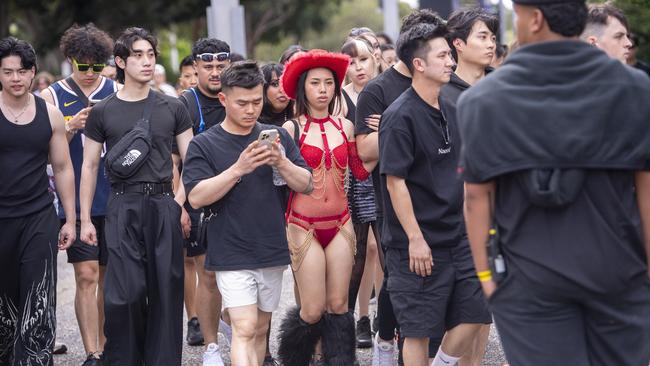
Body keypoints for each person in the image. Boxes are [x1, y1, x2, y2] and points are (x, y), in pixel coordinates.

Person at [458, 0, 650, 365]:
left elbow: (476, 198)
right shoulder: (635, 89)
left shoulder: (483, 100)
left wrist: (486, 276)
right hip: (619, 272)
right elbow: (647, 190)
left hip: (529, 280)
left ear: (535, 19)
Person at [183, 60, 312, 366]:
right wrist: (238, 169)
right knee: (244, 327)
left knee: (260, 328)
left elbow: (306, 183)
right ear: (224, 99)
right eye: (242, 103)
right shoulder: (204, 143)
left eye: (256, 101)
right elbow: (197, 197)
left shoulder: (276, 134)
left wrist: (281, 162)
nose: (251, 109)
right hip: (230, 247)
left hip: (271, 245)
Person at [79, 27, 193, 365]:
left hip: (163, 204)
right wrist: (85, 219)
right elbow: (88, 166)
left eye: (150, 55)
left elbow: (192, 161)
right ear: (120, 62)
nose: (146, 62)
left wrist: (178, 202)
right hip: (121, 206)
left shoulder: (174, 107)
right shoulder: (102, 111)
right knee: (123, 295)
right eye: (138, 55)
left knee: (166, 292)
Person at [379, 22, 490, 366]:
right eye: (442, 55)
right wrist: (415, 238)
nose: (451, 62)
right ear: (419, 64)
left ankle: (441, 363)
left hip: (460, 236)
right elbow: (395, 182)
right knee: (418, 331)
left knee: (478, 311)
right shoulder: (399, 117)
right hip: (416, 243)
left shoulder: (454, 109)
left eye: (450, 55)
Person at [354, 9, 445, 365]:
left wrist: (390, 129)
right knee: (397, 275)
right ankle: (384, 339)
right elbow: (365, 152)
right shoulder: (378, 90)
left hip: (439, 198)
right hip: (393, 199)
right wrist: (400, 124)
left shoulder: (442, 85)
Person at [276, 49, 371, 365]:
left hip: (341, 222)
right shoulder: (291, 129)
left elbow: (360, 171)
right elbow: (279, 180)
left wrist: (385, 131)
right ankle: (296, 359)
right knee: (313, 309)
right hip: (303, 225)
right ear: (303, 87)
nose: (322, 89)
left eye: (329, 83)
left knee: (340, 304)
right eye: (315, 83)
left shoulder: (346, 126)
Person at [40, 23, 117, 366]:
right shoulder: (52, 96)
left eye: (96, 66)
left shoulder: (117, 91)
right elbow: (41, 153)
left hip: (113, 198)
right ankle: (93, 352)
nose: (89, 73)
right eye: (82, 65)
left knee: (107, 276)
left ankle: (107, 342)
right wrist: (70, 127)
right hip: (71, 202)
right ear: (69, 59)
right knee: (85, 275)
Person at [0, 36, 76, 366]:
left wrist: (70, 219)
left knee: (39, 299)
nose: (15, 78)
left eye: (21, 71)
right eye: (7, 72)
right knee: (4, 304)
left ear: (33, 73)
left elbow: (61, 167)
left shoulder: (51, 115)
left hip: (38, 216)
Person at [440, 7, 499, 366]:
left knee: (484, 313)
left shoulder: (501, 86)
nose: (490, 43)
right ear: (458, 44)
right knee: (470, 308)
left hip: (500, 207)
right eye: (482, 36)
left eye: (493, 37)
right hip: (455, 213)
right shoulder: (443, 93)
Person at [178, 37, 231, 365]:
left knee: (241, 273)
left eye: (220, 65)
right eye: (208, 66)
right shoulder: (185, 103)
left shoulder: (237, 95)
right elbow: (174, 162)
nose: (215, 72)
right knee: (208, 274)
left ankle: (245, 334)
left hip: (240, 198)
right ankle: (211, 346)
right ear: (194, 67)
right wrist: (179, 205)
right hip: (200, 200)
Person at [340, 37, 381, 350]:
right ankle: (351, 320)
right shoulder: (338, 97)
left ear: (376, 58)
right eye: (351, 62)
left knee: (385, 254)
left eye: (363, 60)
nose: (358, 68)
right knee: (355, 257)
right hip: (349, 186)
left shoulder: (386, 92)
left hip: (384, 182)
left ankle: (383, 321)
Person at [259, 62, 293, 126]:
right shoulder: (251, 122)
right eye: (275, 84)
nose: (282, 90)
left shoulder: (300, 122)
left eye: (285, 84)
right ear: (263, 88)